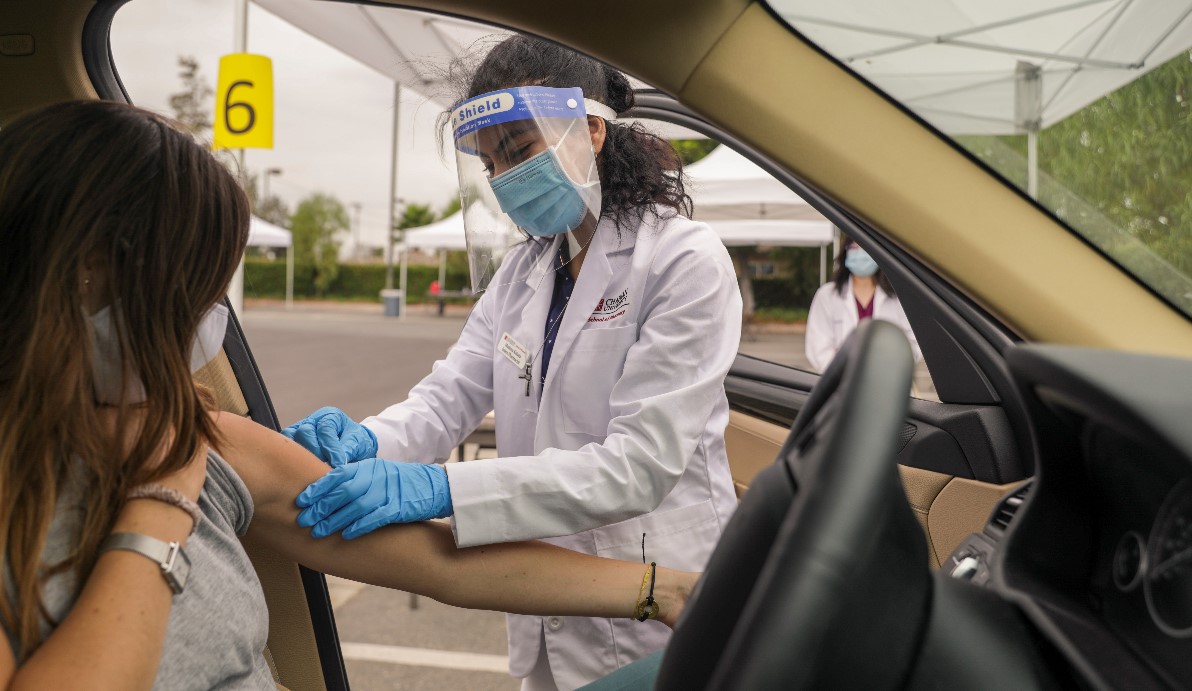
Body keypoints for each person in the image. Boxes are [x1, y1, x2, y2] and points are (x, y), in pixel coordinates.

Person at [0, 100, 697, 690]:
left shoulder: (191, 437)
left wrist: (663, 588)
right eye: (194, 288)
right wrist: (159, 505)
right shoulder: (169, 460)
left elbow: (434, 559)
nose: (206, 323)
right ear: (91, 269)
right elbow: (452, 391)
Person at [284, 36, 742, 690]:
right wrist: (365, 441)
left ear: (589, 131)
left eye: (521, 151)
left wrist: (441, 489)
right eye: (492, 162)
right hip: (549, 606)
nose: (505, 180)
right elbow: (448, 397)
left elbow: (638, 467)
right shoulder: (526, 270)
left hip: (660, 609)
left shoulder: (681, 259)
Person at [804, 236, 922, 372]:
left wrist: (886, 366)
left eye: (865, 248)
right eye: (854, 247)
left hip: (888, 381)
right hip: (842, 384)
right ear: (845, 252)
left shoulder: (898, 297)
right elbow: (818, 348)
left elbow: (913, 344)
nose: (860, 253)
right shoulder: (827, 295)